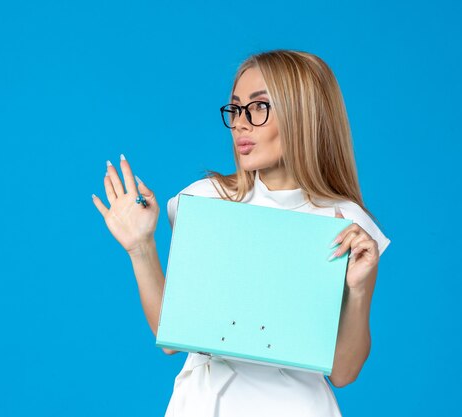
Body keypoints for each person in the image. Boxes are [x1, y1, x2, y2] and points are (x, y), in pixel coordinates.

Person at [91, 49, 391, 417]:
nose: (241, 124)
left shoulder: (344, 221)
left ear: (303, 115)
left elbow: (344, 372)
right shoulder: (204, 201)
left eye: (259, 107)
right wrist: (140, 247)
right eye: (235, 109)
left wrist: (358, 289)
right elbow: (171, 339)